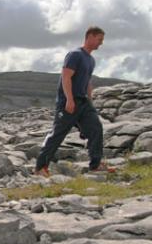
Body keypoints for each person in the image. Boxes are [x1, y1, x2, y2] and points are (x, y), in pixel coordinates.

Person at [35, 26, 113, 177]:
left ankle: (95, 165)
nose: (101, 43)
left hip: (84, 102)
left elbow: (87, 81)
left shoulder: (90, 59)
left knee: (96, 128)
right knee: (58, 133)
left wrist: (90, 101)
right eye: (99, 39)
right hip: (69, 101)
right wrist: (69, 99)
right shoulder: (75, 55)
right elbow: (66, 77)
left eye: (102, 40)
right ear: (90, 36)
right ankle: (40, 167)